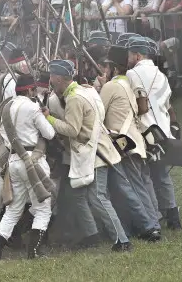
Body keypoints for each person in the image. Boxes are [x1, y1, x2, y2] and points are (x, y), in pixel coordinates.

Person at [44, 60, 132, 252]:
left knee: (98, 198)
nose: (50, 81)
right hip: (94, 151)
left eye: (52, 77)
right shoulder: (87, 90)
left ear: (58, 78)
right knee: (78, 196)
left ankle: (122, 240)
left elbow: (72, 130)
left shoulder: (74, 98)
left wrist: (48, 118)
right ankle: (92, 235)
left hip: (95, 154)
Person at [0, 74, 57, 260]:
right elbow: (49, 134)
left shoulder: (7, 107)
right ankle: (33, 252)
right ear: (29, 90)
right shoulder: (33, 108)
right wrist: (46, 116)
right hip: (33, 160)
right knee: (43, 209)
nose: (36, 93)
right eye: (34, 90)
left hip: (14, 161)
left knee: (13, 210)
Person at [100, 45, 163, 242]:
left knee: (128, 187)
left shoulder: (111, 86)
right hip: (134, 141)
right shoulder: (128, 84)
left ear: (113, 68)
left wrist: (98, 88)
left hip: (123, 142)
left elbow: (98, 112)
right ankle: (151, 224)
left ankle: (149, 226)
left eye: (106, 67)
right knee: (137, 186)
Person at [126, 35, 182, 229]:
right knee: (163, 177)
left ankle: (155, 215)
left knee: (146, 176)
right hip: (163, 130)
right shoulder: (162, 75)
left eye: (130, 54)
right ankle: (173, 216)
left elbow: (136, 104)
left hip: (145, 130)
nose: (128, 58)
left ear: (138, 55)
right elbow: (168, 104)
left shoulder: (133, 75)